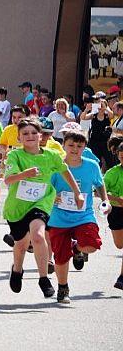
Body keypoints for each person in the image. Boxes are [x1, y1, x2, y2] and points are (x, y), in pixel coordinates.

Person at [3, 118, 82, 299]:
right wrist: (25, 174)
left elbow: (65, 171)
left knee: (38, 236)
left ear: (40, 135)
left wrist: (77, 193)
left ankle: (43, 278)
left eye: (33, 133)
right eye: (25, 134)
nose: (30, 136)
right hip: (17, 207)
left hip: (42, 202)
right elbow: (8, 179)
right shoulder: (15, 156)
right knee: (21, 245)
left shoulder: (51, 155)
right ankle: (17, 270)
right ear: (19, 138)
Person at [48, 130, 106, 303]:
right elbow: (45, 187)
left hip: (84, 215)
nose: (74, 149)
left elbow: (100, 184)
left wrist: (105, 201)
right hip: (58, 217)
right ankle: (63, 288)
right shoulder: (55, 166)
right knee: (60, 256)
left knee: (91, 246)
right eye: (71, 145)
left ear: (84, 148)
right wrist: (52, 196)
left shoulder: (91, 165)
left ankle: (77, 248)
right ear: (63, 145)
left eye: (79, 146)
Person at [103, 143, 123, 290]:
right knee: (119, 244)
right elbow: (99, 191)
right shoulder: (112, 172)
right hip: (116, 211)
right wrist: (117, 200)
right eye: (121, 154)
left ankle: (122, 277)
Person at [81, 98, 113, 170]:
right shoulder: (93, 115)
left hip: (105, 141)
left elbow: (112, 115)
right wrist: (87, 109)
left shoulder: (107, 115)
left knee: (109, 160)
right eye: (98, 105)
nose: (100, 107)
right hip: (94, 141)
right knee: (95, 159)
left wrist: (106, 108)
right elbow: (83, 117)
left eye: (101, 105)